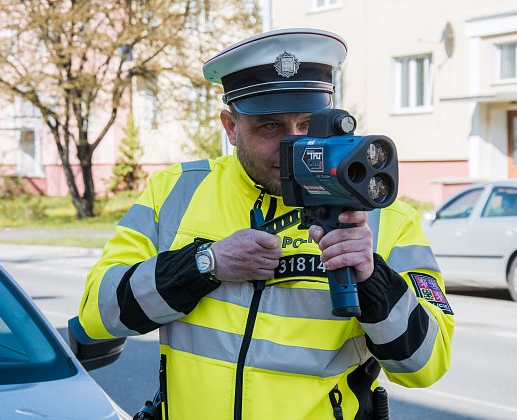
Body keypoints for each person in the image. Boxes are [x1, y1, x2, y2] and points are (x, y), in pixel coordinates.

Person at [79, 28, 454, 420]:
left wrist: (372, 279)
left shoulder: (385, 215)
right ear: (230, 126)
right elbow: (97, 314)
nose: (294, 144)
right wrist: (204, 264)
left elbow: (426, 365)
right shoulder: (176, 190)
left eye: (308, 124)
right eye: (270, 127)